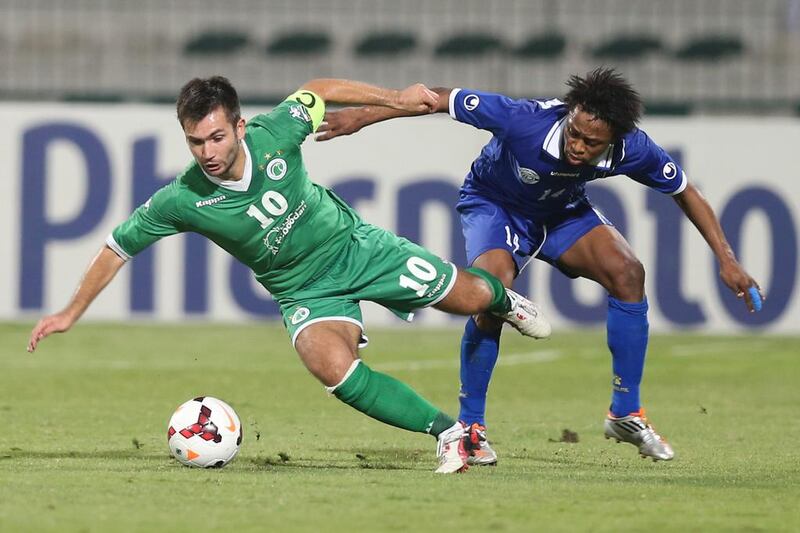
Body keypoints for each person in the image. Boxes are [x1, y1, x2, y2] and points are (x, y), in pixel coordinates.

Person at [26, 76, 551, 474]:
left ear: (238, 126)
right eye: (194, 142)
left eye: (215, 137)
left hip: (356, 248)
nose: (207, 152)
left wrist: (394, 98)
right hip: (302, 289)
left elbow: (319, 89)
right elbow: (117, 246)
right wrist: (71, 312)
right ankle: (453, 434)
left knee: (471, 299)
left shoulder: (276, 132)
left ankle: (507, 302)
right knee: (330, 367)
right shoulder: (181, 199)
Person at [317, 67, 763, 464]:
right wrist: (362, 115)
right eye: (575, 133)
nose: (579, 146)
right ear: (570, 113)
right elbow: (433, 97)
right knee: (491, 292)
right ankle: (471, 427)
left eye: (592, 143)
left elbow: (685, 190)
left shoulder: (633, 149)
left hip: (562, 212)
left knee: (628, 274)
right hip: (495, 205)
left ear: (614, 140)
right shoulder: (523, 120)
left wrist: (728, 260)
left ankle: (625, 412)